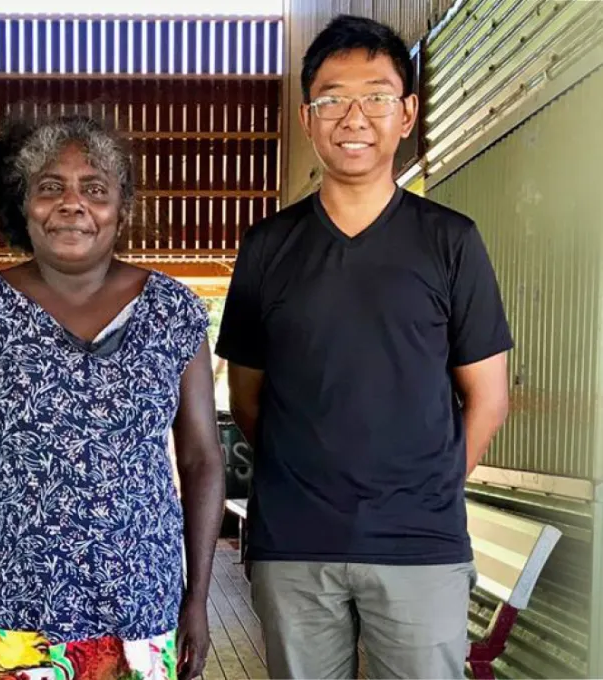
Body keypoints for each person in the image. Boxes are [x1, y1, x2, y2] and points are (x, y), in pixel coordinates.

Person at [216, 14, 513, 680]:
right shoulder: (268, 247)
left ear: (407, 114)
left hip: (420, 547)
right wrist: (311, 479)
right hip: (295, 545)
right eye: (332, 98)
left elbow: (488, 397)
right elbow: (247, 395)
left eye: (377, 96)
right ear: (306, 117)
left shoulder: (451, 241)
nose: (354, 116)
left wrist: (428, 490)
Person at [0, 113, 226, 680]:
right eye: (50, 187)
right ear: (23, 203)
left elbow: (203, 459)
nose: (72, 203)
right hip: (12, 607)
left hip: (141, 604)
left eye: (96, 189)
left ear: (122, 209)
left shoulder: (174, 313)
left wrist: (198, 598)